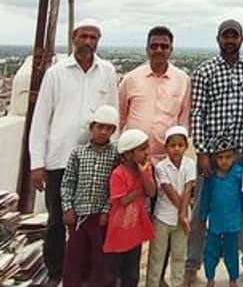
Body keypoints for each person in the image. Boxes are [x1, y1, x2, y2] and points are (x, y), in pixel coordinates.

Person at [29, 19, 120, 283]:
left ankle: (88, 275)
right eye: (84, 36)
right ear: (73, 38)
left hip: (98, 160)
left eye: (94, 38)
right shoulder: (56, 73)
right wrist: (37, 163)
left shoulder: (107, 71)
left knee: (93, 224)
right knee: (58, 220)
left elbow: (115, 115)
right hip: (60, 159)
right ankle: (56, 272)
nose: (88, 42)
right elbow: (41, 119)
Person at [187, 19, 243, 286]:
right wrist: (201, 152)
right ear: (218, 40)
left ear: (242, 40)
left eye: (234, 36)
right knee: (203, 209)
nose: (230, 41)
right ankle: (192, 265)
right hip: (212, 157)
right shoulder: (205, 70)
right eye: (225, 36)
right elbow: (197, 113)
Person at [60, 104, 121, 287]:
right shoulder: (78, 153)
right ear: (91, 128)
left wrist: (106, 211)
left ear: (113, 131)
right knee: (74, 257)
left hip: (100, 217)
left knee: (99, 259)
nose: (103, 132)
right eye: (99, 127)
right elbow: (68, 182)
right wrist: (68, 208)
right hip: (79, 215)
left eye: (108, 128)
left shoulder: (115, 155)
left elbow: (115, 188)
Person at [119, 26, 192, 160]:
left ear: (171, 50)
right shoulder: (130, 79)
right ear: (147, 49)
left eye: (164, 46)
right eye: (154, 46)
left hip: (167, 160)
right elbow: (120, 118)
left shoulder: (183, 81)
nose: (159, 50)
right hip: (133, 158)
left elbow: (184, 122)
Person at [105, 128, 158, 287]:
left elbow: (151, 191)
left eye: (147, 148)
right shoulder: (118, 173)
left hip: (135, 227)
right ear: (128, 154)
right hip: (119, 227)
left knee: (132, 270)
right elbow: (123, 200)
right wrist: (139, 191)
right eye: (142, 149)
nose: (147, 152)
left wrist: (144, 174)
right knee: (116, 270)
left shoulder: (146, 169)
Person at [148, 126, 197, 287]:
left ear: (185, 146)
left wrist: (183, 216)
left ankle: (177, 283)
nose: (176, 149)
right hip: (163, 217)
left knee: (179, 255)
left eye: (180, 145)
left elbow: (188, 189)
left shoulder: (190, 164)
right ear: (166, 147)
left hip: (182, 219)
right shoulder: (161, 167)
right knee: (157, 256)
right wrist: (182, 215)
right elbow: (169, 191)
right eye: (172, 145)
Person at [198, 144, 243, 287]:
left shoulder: (239, 174)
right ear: (214, 159)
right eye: (220, 158)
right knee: (210, 252)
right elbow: (205, 198)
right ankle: (210, 278)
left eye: (228, 157)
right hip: (215, 223)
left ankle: (233, 279)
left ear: (235, 157)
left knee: (231, 253)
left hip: (233, 222)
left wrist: (242, 214)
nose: (224, 161)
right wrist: (202, 217)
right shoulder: (211, 177)